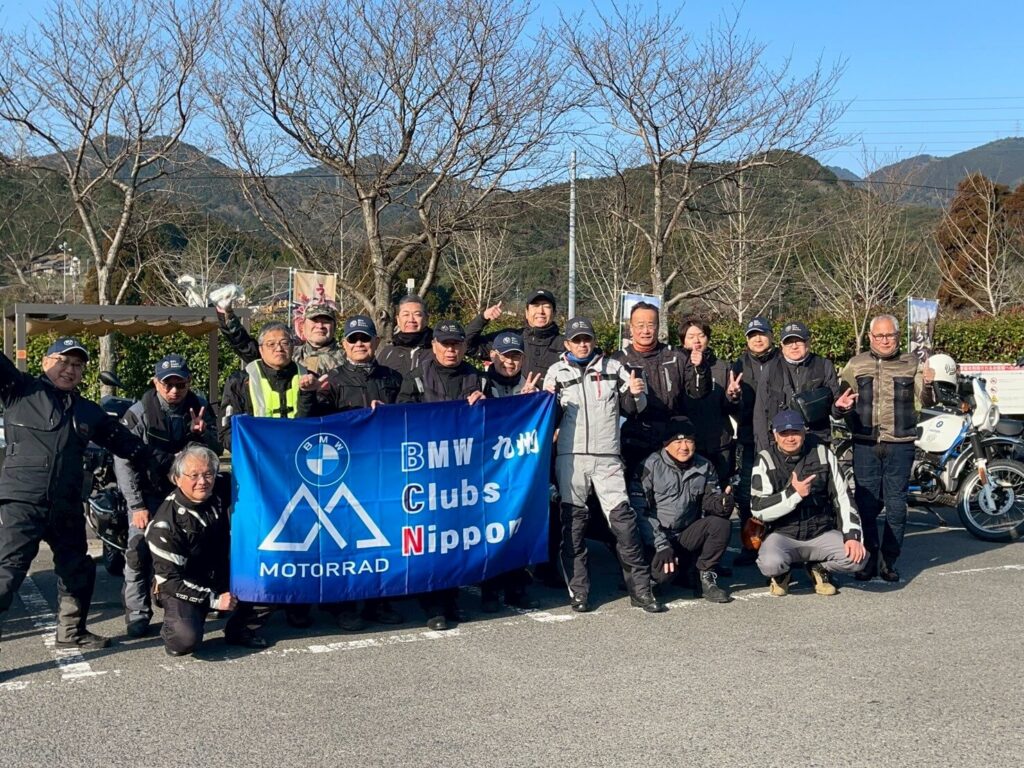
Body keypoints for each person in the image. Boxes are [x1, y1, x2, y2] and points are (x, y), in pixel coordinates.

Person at [0, 338, 152, 651]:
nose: (69, 369)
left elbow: (129, 446)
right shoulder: (19, 389)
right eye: (63, 361)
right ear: (45, 362)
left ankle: (71, 631)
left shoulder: (87, 411)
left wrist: (177, 462)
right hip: (23, 501)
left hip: (66, 504)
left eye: (77, 365)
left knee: (78, 570)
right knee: (7, 574)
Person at [543, 317, 665, 614]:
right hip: (571, 458)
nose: (582, 344)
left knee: (624, 525)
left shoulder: (613, 367)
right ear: (567, 343)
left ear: (594, 341)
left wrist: (636, 393)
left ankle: (641, 591)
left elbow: (636, 408)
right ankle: (579, 592)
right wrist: (538, 402)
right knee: (573, 527)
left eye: (587, 338)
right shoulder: (556, 371)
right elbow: (547, 416)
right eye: (577, 340)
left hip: (608, 457)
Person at [296, 314, 405, 629]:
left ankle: (378, 601)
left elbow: (412, 416)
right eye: (353, 339)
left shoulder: (394, 378)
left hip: (383, 472)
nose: (359, 344)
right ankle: (342, 605)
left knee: (381, 537)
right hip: (343, 473)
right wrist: (308, 393)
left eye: (365, 338)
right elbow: (308, 423)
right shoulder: (330, 379)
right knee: (343, 539)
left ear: (376, 342)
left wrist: (391, 414)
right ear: (344, 344)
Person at [114, 353, 222, 639]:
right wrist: (136, 505)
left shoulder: (200, 408)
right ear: (156, 383)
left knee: (200, 545)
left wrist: (202, 434)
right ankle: (137, 612)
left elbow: (215, 452)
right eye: (167, 384)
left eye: (180, 384)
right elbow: (123, 461)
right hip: (147, 493)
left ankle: (197, 599)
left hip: (187, 493)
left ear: (189, 382)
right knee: (138, 550)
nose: (174, 390)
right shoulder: (138, 413)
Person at [220, 321, 313, 636]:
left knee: (301, 538)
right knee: (259, 539)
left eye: (284, 342)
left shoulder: (308, 377)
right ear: (259, 349)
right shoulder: (241, 381)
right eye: (271, 343)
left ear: (293, 345)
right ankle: (252, 604)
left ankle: (298, 602)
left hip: (300, 476)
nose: (278, 348)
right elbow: (226, 433)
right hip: (256, 477)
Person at [397, 319, 485, 630]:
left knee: (455, 538)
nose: (451, 350)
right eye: (445, 344)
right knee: (430, 537)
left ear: (464, 346)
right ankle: (433, 604)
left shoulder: (476, 376)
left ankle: (451, 598)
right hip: (425, 470)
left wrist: (485, 404)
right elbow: (400, 416)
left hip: (463, 470)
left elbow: (496, 419)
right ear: (433, 345)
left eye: (456, 344)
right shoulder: (416, 376)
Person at [838, 314, 935, 583]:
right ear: (870, 337)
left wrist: (929, 384)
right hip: (865, 443)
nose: (884, 340)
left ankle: (889, 560)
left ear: (898, 336)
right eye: (879, 335)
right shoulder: (856, 364)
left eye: (889, 335)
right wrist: (842, 408)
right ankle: (868, 559)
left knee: (896, 506)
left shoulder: (912, 363)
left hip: (900, 444)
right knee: (866, 505)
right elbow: (841, 398)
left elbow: (927, 400)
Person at [750, 410, 866, 596]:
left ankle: (819, 568)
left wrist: (852, 535)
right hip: (783, 534)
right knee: (770, 564)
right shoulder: (764, 459)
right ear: (775, 435)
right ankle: (782, 575)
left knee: (858, 559)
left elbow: (843, 497)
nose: (790, 438)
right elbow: (758, 509)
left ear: (804, 432)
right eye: (784, 433)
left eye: (795, 432)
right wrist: (794, 494)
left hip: (820, 531)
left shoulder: (823, 453)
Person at [146, 446, 237, 657]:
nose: (202, 481)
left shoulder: (219, 487)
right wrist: (213, 600)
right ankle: (174, 625)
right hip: (183, 583)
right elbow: (170, 581)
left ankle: (241, 629)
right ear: (177, 479)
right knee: (185, 639)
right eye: (193, 475)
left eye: (208, 474)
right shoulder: (165, 525)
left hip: (220, 572)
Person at [632, 417, 733, 603]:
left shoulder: (705, 465)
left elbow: (711, 500)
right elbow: (639, 512)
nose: (684, 447)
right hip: (656, 537)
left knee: (721, 524)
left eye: (689, 441)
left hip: (686, 535)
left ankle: (705, 577)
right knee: (662, 577)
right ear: (666, 444)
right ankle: (667, 574)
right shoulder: (649, 466)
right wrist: (661, 544)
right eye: (678, 442)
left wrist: (722, 503)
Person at [478, 331, 541, 613]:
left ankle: (517, 588)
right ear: (493, 356)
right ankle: (489, 590)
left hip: (519, 471)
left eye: (515, 356)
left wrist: (532, 403)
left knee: (518, 528)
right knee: (489, 531)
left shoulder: (531, 387)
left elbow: (547, 423)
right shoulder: (479, 383)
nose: (510, 362)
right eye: (504, 356)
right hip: (487, 471)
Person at [611, 302, 707, 476]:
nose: (646, 331)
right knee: (636, 487)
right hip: (635, 439)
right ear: (631, 328)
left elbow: (697, 392)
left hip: (672, 439)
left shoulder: (677, 356)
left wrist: (700, 368)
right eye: (640, 325)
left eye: (651, 325)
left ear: (658, 327)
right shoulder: (617, 361)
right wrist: (633, 395)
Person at [753, 321, 856, 452]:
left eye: (799, 341)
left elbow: (835, 410)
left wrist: (839, 407)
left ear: (808, 342)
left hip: (816, 441)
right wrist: (763, 449)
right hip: (780, 442)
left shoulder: (824, 366)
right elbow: (760, 413)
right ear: (781, 346)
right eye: (789, 342)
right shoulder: (770, 369)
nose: (794, 346)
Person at [730, 316, 779, 566]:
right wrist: (733, 397)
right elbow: (730, 405)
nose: (757, 339)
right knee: (747, 493)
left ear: (771, 335)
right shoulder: (738, 364)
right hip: (749, 438)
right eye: (752, 335)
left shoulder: (782, 361)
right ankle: (750, 544)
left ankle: (779, 543)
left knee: (779, 491)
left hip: (781, 438)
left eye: (761, 334)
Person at [679, 316, 741, 484]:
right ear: (683, 341)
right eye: (691, 336)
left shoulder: (722, 367)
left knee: (721, 490)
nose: (696, 340)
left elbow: (731, 409)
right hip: (687, 444)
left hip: (719, 443)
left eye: (701, 335)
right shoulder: (677, 366)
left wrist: (733, 396)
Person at [218, 300, 345, 374]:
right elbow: (248, 348)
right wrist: (228, 317)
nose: (320, 326)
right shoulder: (288, 353)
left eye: (326, 321)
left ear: (334, 326)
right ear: (303, 326)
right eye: (314, 320)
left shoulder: (347, 359)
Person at [465, 289, 565, 378]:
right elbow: (466, 345)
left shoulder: (565, 345)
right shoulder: (510, 338)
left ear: (554, 313)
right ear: (526, 312)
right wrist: (483, 318)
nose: (540, 311)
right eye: (535, 306)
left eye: (546, 306)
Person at [377, 294, 434, 376]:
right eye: (406, 315)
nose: (411, 320)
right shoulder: (387, 352)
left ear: (426, 319)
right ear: (398, 320)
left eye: (417, 314)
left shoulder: (437, 350)